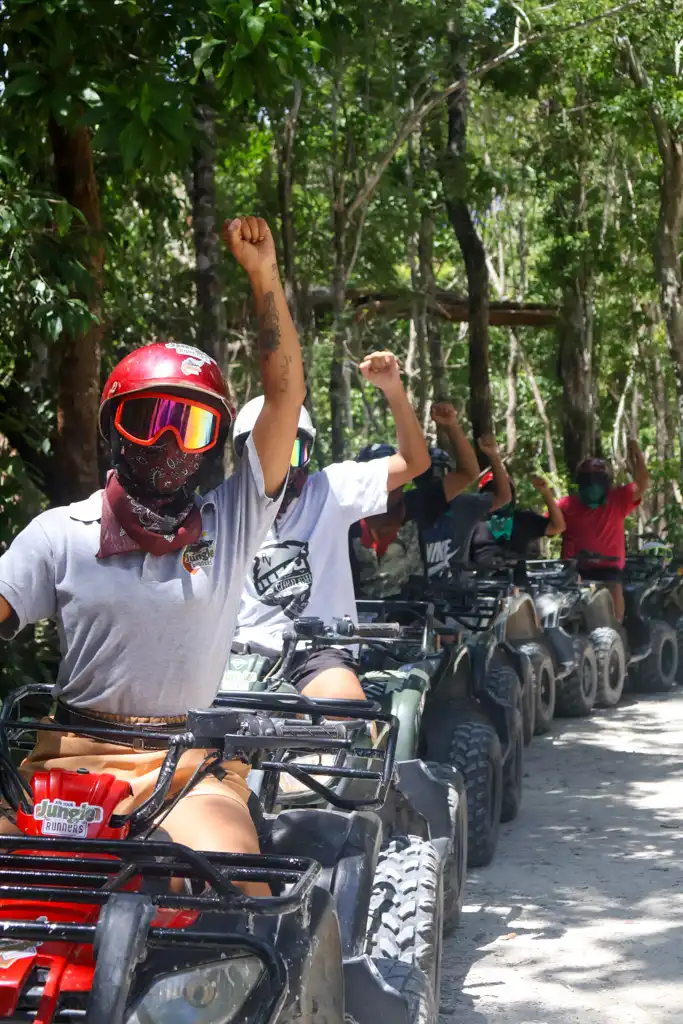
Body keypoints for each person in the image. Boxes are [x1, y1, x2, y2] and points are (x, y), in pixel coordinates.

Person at [0, 216, 304, 893]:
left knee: (234, 889)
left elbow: (284, 397)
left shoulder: (230, 527)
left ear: (212, 445)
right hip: (64, 762)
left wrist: (264, 278)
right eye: (150, 419)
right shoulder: (62, 533)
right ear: (116, 429)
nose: (170, 442)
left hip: (187, 766)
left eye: (191, 425)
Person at [230, 351, 430, 702]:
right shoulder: (224, 508)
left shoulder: (331, 490)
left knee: (347, 717)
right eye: (265, 449)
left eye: (292, 450)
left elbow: (414, 462)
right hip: (236, 655)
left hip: (319, 650)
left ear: (308, 453)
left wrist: (393, 390)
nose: (280, 464)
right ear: (244, 454)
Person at [350, 408, 511, 599]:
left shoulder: (418, 505)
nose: (383, 485)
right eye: (372, 478)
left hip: (413, 618)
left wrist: (451, 426)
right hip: (355, 618)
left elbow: (468, 474)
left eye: (391, 477)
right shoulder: (344, 516)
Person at [557, 442, 649, 620]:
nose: (592, 485)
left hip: (609, 570)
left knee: (614, 616)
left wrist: (637, 455)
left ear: (606, 483)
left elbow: (643, 483)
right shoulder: (566, 504)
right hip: (573, 571)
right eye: (587, 480)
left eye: (597, 480)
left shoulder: (618, 499)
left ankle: (618, 638)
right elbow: (548, 526)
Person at [470, 468, 565, 585]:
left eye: (504, 491)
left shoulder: (523, 519)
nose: (499, 496)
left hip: (518, 590)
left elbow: (558, 526)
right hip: (480, 588)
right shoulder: (471, 522)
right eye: (492, 491)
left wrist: (546, 493)